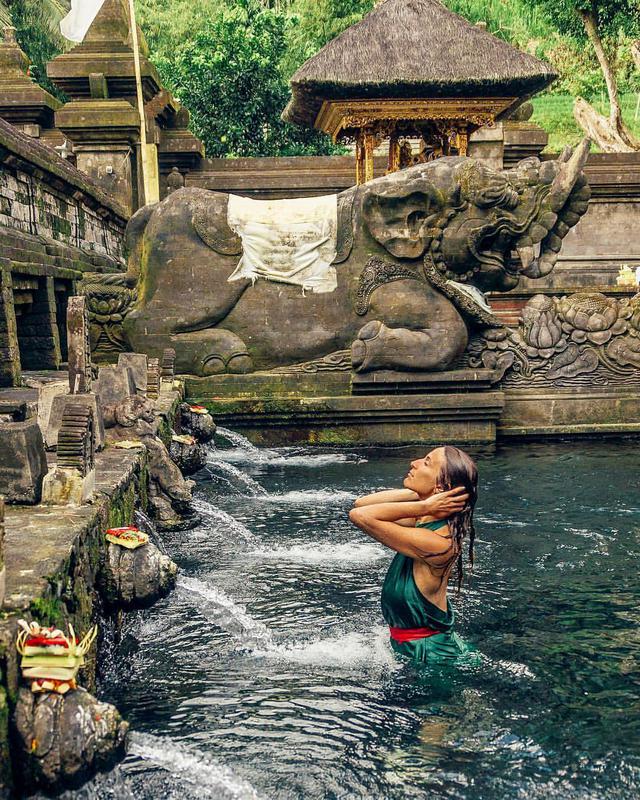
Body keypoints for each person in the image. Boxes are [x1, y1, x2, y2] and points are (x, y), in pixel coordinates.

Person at [349, 446, 478, 663]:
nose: (414, 463)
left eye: (426, 462)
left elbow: (360, 516)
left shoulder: (439, 543)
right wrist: (422, 496)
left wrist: (426, 504)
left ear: (440, 487)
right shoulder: (424, 522)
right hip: (415, 652)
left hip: (435, 659)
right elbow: (361, 503)